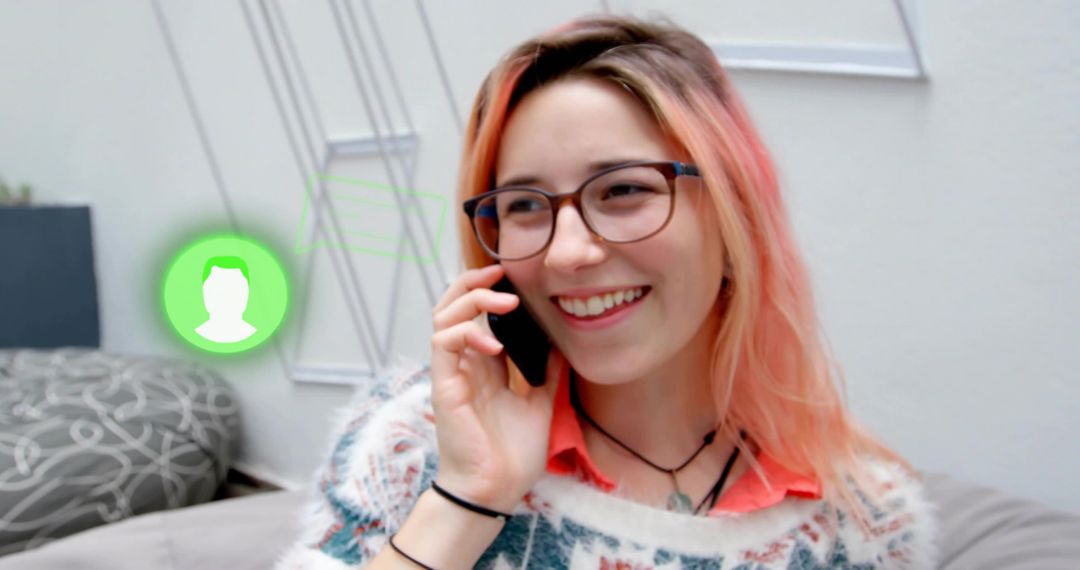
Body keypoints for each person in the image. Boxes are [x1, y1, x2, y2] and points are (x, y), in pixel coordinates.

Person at [276, 14, 937, 569]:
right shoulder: (409, 439)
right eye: (524, 204)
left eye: (623, 189)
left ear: (734, 214)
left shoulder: (867, 522)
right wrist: (468, 497)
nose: (567, 253)